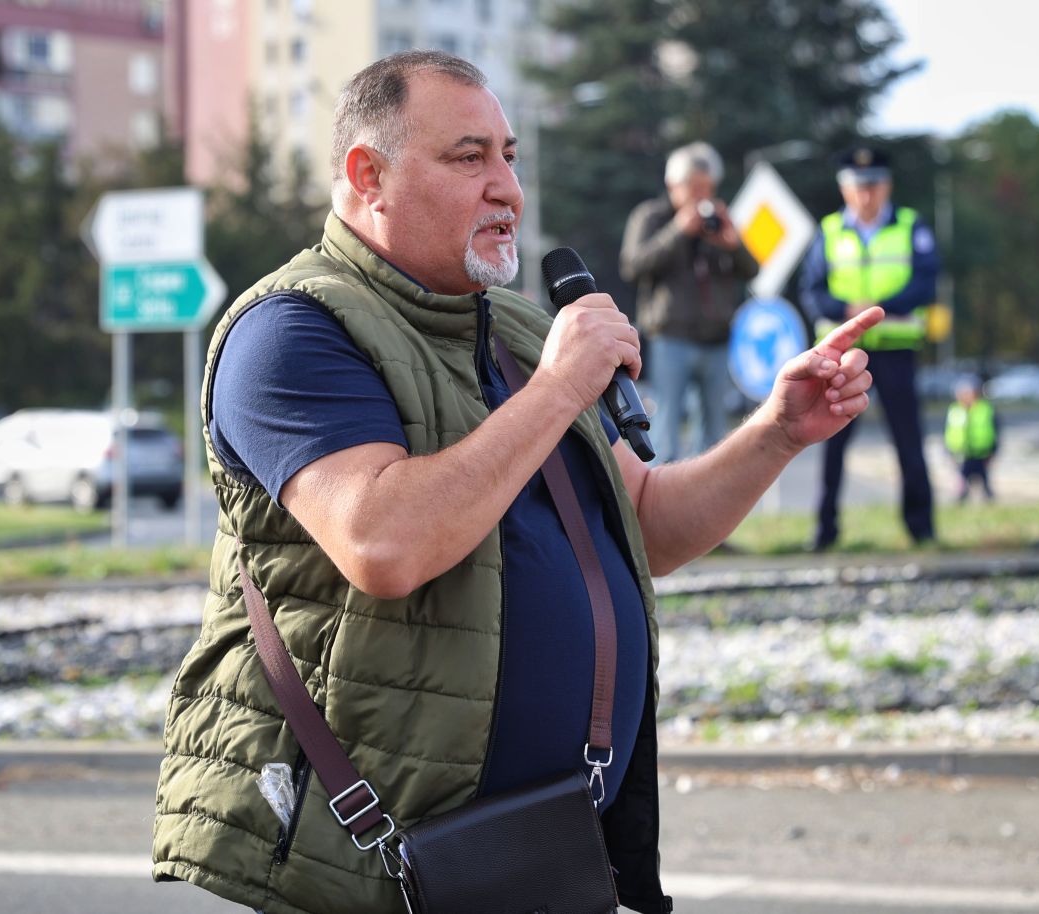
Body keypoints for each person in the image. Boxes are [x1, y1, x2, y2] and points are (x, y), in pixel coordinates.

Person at [151, 51, 880, 914]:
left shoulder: (521, 333)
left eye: (510, 156)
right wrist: (562, 386)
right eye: (470, 158)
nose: (507, 188)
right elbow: (385, 543)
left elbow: (642, 524)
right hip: (358, 865)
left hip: (535, 848)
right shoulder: (291, 331)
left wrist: (776, 433)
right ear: (367, 174)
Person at [800, 145, 940, 551]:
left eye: (874, 185)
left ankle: (922, 529)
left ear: (887, 186)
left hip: (896, 349)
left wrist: (877, 310)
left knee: (909, 442)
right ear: (844, 189)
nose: (866, 195)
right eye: (858, 187)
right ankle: (824, 531)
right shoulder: (827, 231)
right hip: (840, 356)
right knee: (832, 443)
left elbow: (926, 282)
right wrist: (847, 311)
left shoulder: (910, 225)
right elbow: (811, 290)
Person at [620, 141, 760, 463]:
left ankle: (705, 499)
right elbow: (633, 265)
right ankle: (657, 496)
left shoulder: (719, 220)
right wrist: (678, 231)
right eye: (694, 188)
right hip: (671, 337)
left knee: (713, 434)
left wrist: (732, 245)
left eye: (707, 188)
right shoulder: (652, 217)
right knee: (666, 425)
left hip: (716, 339)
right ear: (674, 185)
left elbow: (752, 270)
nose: (702, 196)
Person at [943, 376, 999, 502]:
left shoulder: (985, 409)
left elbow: (995, 430)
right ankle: (961, 498)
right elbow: (948, 431)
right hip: (961, 452)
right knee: (962, 479)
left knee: (983, 478)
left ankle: (988, 499)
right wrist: (948, 450)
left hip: (982, 451)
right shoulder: (954, 409)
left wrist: (994, 450)